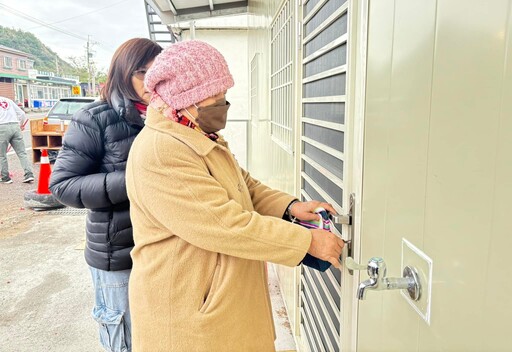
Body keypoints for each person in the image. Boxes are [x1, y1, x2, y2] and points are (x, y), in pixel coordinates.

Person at [125, 40, 345, 352]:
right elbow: (225, 224)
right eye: (214, 99)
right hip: (190, 313)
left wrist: (291, 207)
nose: (222, 105)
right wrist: (307, 241)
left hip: (216, 299)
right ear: (183, 100)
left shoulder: (196, 135)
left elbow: (244, 186)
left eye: (224, 96)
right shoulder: (163, 151)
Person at [49, 38, 162, 352]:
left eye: (158, 72)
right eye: (142, 73)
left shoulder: (166, 118)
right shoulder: (94, 118)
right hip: (118, 256)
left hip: (161, 251)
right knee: (125, 340)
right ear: (122, 74)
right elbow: (63, 185)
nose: (151, 82)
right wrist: (134, 180)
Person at [0, 96, 34, 184]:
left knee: (2, 155)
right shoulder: (8, 100)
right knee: (22, 153)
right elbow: (22, 114)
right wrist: (21, 125)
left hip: (2, 127)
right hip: (15, 126)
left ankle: (5, 177)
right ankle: (29, 174)